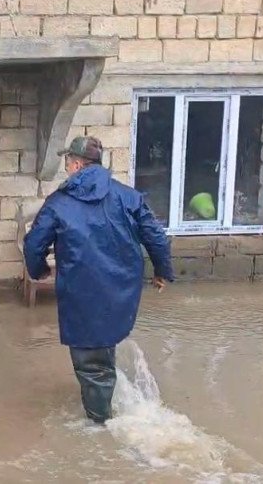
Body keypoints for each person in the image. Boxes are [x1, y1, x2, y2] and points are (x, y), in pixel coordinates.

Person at [23, 136, 174, 424]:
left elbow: (33, 244)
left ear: (77, 164)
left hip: (80, 291)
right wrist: (161, 271)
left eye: (68, 163)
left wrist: (38, 270)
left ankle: (100, 425)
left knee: (90, 361)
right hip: (121, 288)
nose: (67, 168)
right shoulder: (128, 196)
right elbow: (156, 237)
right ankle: (106, 399)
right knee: (105, 345)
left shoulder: (59, 203)